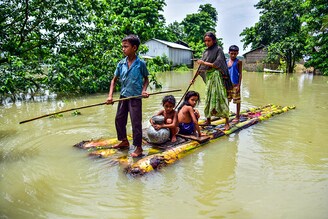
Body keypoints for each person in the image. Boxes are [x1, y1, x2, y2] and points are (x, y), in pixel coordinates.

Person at [106, 34, 149, 158]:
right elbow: (114, 80)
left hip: (135, 97)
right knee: (119, 119)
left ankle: (138, 147)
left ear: (134, 48)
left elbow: (146, 79)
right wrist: (110, 96)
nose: (123, 49)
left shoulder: (141, 64)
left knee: (136, 122)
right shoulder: (121, 64)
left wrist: (144, 90)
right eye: (122, 46)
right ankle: (124, 141)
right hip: (123, 96)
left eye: (126, 46)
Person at [196, 32, 232, 130]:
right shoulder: (205, 52)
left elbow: (217, 64)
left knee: (221, 98)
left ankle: (227, 122)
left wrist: (204, 62)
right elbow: (201, 67)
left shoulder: (218, 50)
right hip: (209, 77)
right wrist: (194, 78)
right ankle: (208, 120)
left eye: (209, 41)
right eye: (205, 41)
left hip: (217, 77)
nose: (207, 43)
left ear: (214, 41)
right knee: (208, 98)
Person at [227, 45, 242, 123]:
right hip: (227, 85)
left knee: (237, 101)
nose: (233, 55)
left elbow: (240, 74)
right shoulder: (226, 62)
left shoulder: (238, 62)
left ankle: (237, 116)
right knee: (227, 101)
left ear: (237, 53)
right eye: (232, 53)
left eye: (235, 54)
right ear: (229, 53)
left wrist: (239, 85)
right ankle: (226, 116)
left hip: (235, 85)